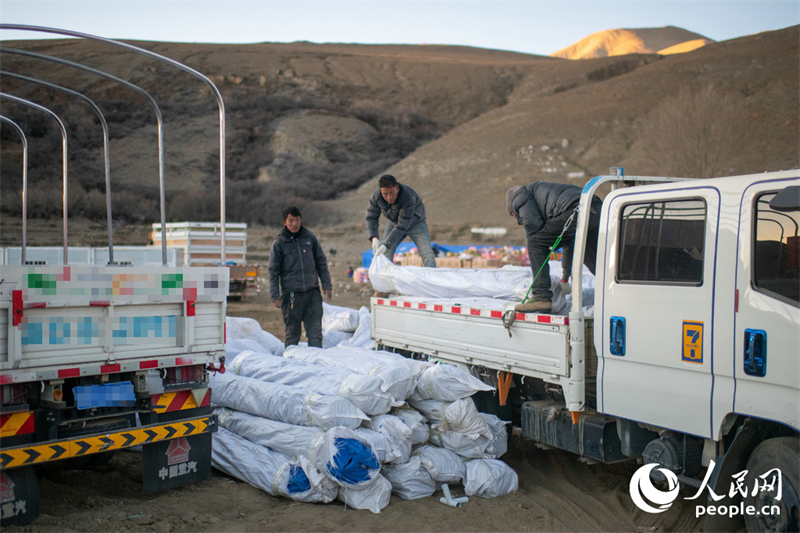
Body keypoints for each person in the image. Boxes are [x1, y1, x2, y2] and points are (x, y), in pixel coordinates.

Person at [506, 183, 602, 313]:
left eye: (513, 215)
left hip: (575, 209)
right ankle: (616, 290)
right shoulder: (539, 196)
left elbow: (533, 225)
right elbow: (569, 245)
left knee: (535, 242)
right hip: (595, 209)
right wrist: (564, 278)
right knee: (592, 257)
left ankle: (541, 296)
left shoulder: (518, 197)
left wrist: (542, 241)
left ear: (512, 209)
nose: (517, 221)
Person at [268, 206, 332, 347]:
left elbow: (321, 262)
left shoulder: (310, 238)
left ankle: (316, 365)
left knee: (315, 334)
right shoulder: (279, 244)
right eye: (291, 221)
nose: (295, 224)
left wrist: (327, 285)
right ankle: (291, 364)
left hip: (312, 293)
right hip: (291, 295)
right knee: (292, 334)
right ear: (285, 222)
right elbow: (273, 272)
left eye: (297, 220)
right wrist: (275, 295)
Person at [366, 174, 436, 268]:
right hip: (394, 223)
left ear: (397, 188)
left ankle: (430, 279)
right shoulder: (376, 197)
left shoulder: (407, 196)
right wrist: (374, 237)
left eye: (391, 193)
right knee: (385, 252)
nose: (389, 197)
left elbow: (403, 224)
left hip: (416, 223)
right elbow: (371, 217)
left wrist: (387, 244)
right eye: (385, 194)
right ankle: (386, 280)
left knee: (427, 253)